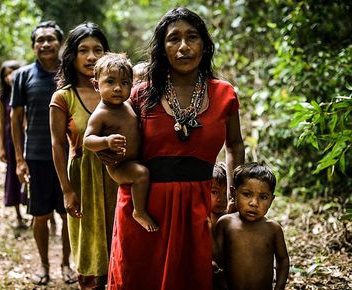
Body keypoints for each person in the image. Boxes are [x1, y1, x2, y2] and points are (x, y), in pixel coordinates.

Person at [106, 7, 245, 290]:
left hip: (197, 208)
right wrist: (109, 160)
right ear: (162, 47)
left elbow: (234, 144)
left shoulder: (224, 94)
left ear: (204, 46)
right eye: (173, 39)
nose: (183, 47)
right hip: (144, 210)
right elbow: (112, 143)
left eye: (192, 37)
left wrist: (233, 195)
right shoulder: (139, 94)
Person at [50, 22, 118, 290]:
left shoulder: (118, 92)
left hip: (117, 178)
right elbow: (56, 144)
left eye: (98, 50)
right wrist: (66, 190)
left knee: (118, 239)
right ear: (72, 56)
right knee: (88, 241)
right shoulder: (63, 97)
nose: (91, 57)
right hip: (83, 178)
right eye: (83, 50)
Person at [10, 20, 76, 285]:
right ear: (33, 46)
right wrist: (18, 158)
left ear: (60, 44)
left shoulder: (70, 74)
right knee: (40, 216)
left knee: (68, 214)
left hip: (70, 157)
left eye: (51, 39)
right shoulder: (23, 76)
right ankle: (44, 265)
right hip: (36, 157)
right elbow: (15, 119)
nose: (46, 44)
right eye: (40, 40)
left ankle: (66, 264)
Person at [83, 53, 158, 232]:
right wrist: (106, 141)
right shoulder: (101, 114)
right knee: (141, 174)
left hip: (136, 158)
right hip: (120, 166)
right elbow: (87, 140)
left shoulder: (129, 105)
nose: (118, 88)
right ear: (96, 85)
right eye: (110, 82)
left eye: (124, 83)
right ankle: (139, 212)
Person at [214, 162, 289, 290]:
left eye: (263, 197)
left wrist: (279, 287)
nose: (254, 203)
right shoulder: (225, 223)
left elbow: (283, 260)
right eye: (247, 194)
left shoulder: (273, 229)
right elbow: (216, 257)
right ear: (233, 193)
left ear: (271, 200)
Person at [0, 60, 28, 229]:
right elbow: (1, 122)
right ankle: (17, 215)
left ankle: (37, 212)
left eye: (13, 72)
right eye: (6, 74)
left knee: (32, 173)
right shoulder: (4, 97)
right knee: (12, 175)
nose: (10, 77)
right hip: (11, 141)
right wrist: (1, 145)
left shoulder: (27, 91)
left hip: (28, 139)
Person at [211, 162, 227, 227]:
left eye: (225, 193)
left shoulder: (230, 218)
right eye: (214, 192)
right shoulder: (200, 218)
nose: (220, 199)